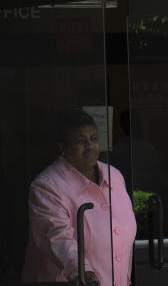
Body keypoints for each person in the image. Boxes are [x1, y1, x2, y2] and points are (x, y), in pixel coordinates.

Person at [21, 108, 137, 286]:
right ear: (63, 146)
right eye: (80, 141)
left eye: (93, 139)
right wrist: (82, 273)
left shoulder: (114, 175)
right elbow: (58, 238)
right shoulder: (47, 186)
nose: (90, 146)